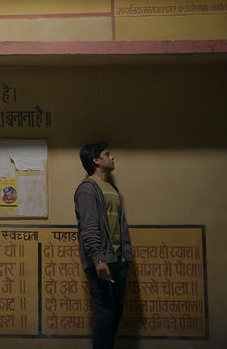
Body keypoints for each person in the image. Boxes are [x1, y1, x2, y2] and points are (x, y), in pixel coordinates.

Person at [74, 142, 133, 349]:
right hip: (100, 260)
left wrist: (126, 257)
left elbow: (119, 224)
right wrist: (98, 258)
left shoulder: (112, 189)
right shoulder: (88, 188)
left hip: (118, 259)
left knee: (116, 310)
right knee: (106, 310)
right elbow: (89, 227)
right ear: (96, 160)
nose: (112, 157)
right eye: (107, 154)